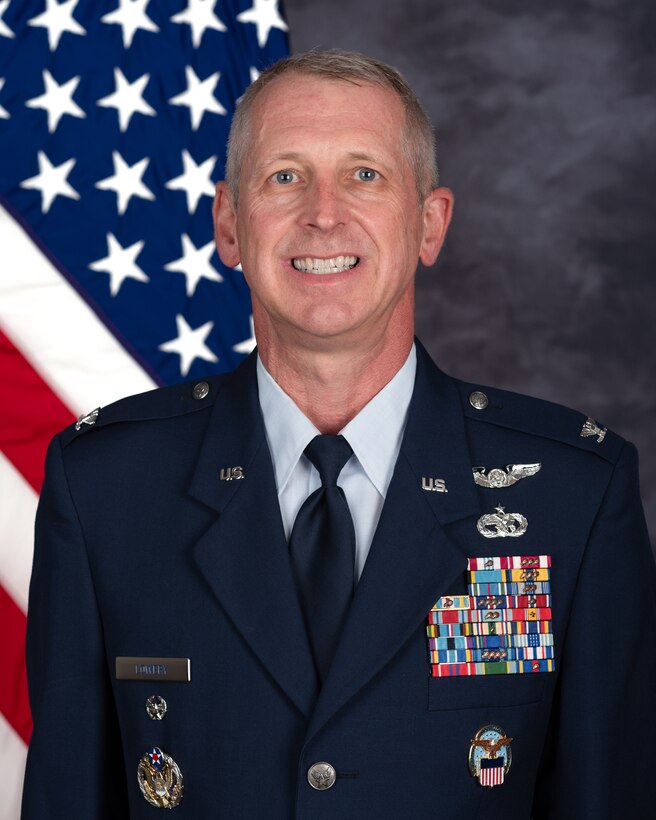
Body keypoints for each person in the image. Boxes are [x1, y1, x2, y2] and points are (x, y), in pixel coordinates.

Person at [22, 50, 655, 819]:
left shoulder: (575, 496)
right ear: (228, 223)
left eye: (365, 174)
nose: (324, 213)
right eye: (284, 176)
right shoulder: (106, 489)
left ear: (430, 223)